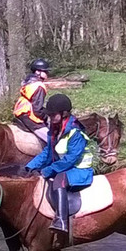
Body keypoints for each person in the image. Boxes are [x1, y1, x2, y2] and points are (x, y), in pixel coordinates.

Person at [26, 94, 96, 235]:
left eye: (53, 115)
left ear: (64, 114)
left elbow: (70, 159)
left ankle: (61, 221)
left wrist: (48, 170)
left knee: (59, 180)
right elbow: (47, 152)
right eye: (50, 115)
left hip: (80, 170)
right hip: (65, 168)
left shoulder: (76, 132)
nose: (50, 118)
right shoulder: (55, 130)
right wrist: (30, 166)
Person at [13, 58, 52, 144]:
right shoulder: (39, 86)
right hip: (29, 116)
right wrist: (46, 117)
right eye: (45, 71)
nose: (47, 74)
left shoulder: (29, 83)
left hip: (21, 112)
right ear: (38, 72)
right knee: (53, 141)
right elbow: (37, 110)